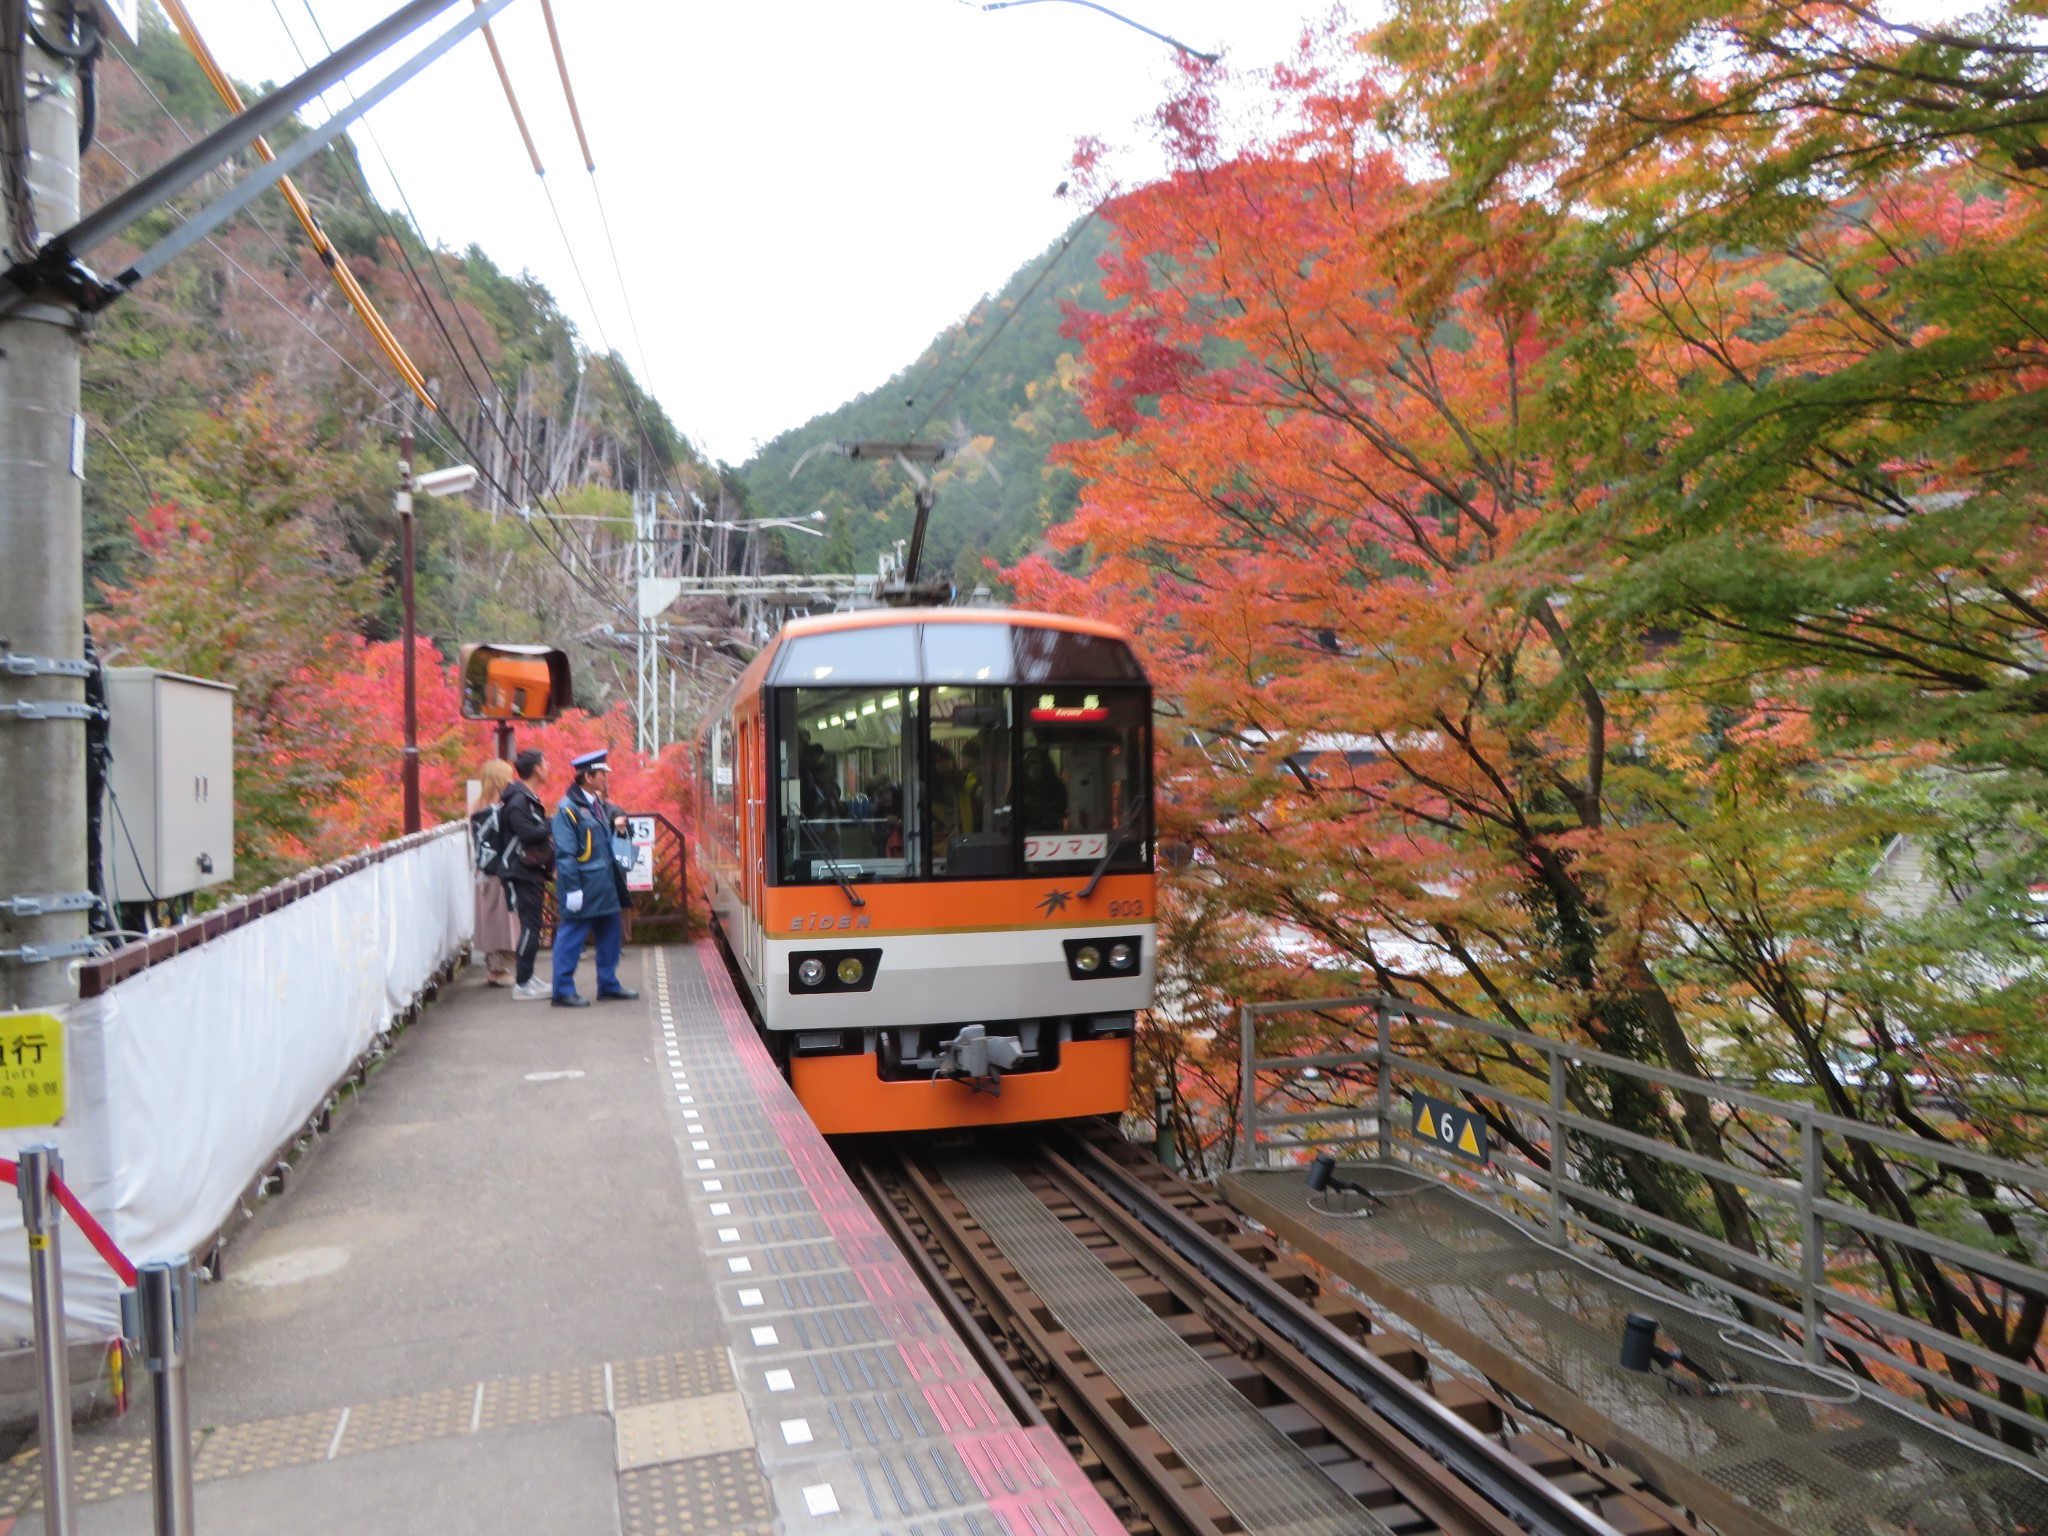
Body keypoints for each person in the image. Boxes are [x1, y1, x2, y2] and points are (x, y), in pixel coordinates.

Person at [550, 749, 639, 1008]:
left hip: (604, 884)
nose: (605, 778)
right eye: (601, 774)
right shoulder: (567, 810)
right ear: (587, 776)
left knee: (611, 934)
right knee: (571, 937)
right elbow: (565, 854)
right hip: (585, 885)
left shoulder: (595, 804)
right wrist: (572, 889)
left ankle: (608, 983)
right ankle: (562, 990)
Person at [500, 748, 555, 1000]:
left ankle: (528, 977)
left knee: (533, 924)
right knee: (530, 926)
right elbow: (527, 834)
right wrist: (553, 823)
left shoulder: (524, 797)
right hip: (522, 870)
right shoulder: (519, 801)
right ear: (536, 769)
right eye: (546, 763)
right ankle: (522, 984)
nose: (548, 767)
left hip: (529, 868)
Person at [471, 757, 520, 984]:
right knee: (505, 921)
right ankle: (500, 971)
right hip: (503, 872)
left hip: (484, 873)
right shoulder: (502, 810)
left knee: (490, 920)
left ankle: (495, 969)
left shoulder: (476, 808)